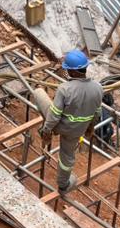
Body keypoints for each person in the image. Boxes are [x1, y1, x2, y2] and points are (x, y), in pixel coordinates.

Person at [39, 49, 104, 195]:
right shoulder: (98, 88)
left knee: (39, 94)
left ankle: (43, 131)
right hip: (77, 131)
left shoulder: (65, 89)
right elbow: (97, 112)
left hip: (60, 126)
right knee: (67, 157)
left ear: (72, 72)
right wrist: (90, 128)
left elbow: (54, 115)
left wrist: (46, 130)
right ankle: (63, 185)